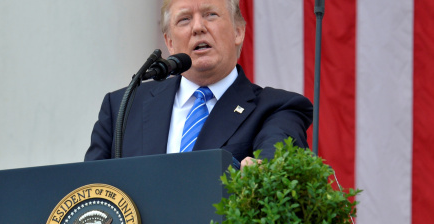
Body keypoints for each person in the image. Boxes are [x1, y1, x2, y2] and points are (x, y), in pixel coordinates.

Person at [85, 0, 313, 169]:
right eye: (184, 19)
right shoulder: (122, 107)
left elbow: (274, 166)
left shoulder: (278, 108)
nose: (197, 27)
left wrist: (262, 170)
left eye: (210, 15)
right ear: (169, 42)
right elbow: (88, 192)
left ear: (238, 32)